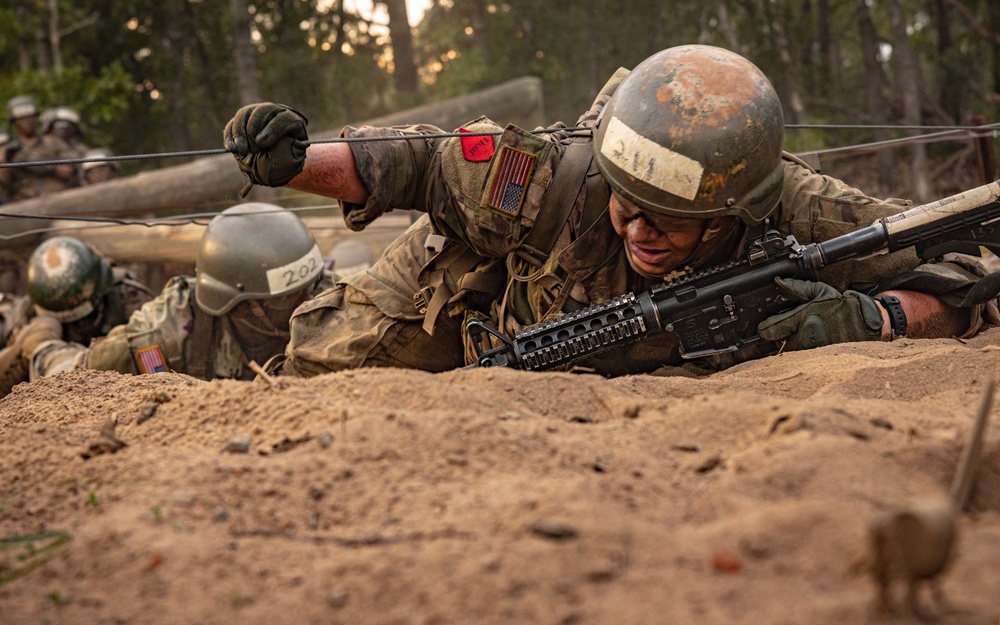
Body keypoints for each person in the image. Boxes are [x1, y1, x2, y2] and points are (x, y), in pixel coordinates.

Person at [223, 44, 998, 378]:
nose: (639, 228)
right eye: (630, 204)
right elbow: (417, 162)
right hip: (482, 302)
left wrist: (881, 320)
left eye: (672, 218)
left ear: (737, 209)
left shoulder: (797, 206)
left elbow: (970, 261)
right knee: (323, 362)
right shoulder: (549, 179)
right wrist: (296, 163)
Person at [31, 203, 335, 382]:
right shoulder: (169, 331)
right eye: (286, 296)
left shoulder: (334, 301)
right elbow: (72, 376)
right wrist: (42, 347)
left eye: (311, 283)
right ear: (237, 303)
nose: (311, 299)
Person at [0, 236, 155, 396]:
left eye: (84, 318)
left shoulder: (127, 297)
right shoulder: (31, 311)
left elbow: (150, 348)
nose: (80, 325)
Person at [2, 95, 79, 202]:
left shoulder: (54, 142)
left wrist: (45, 167)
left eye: (31, 117)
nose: (28, 121)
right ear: (14, 122)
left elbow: (68, 169)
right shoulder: (9, 150)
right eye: (22, 118)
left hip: (59, 199)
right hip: (24, 204)